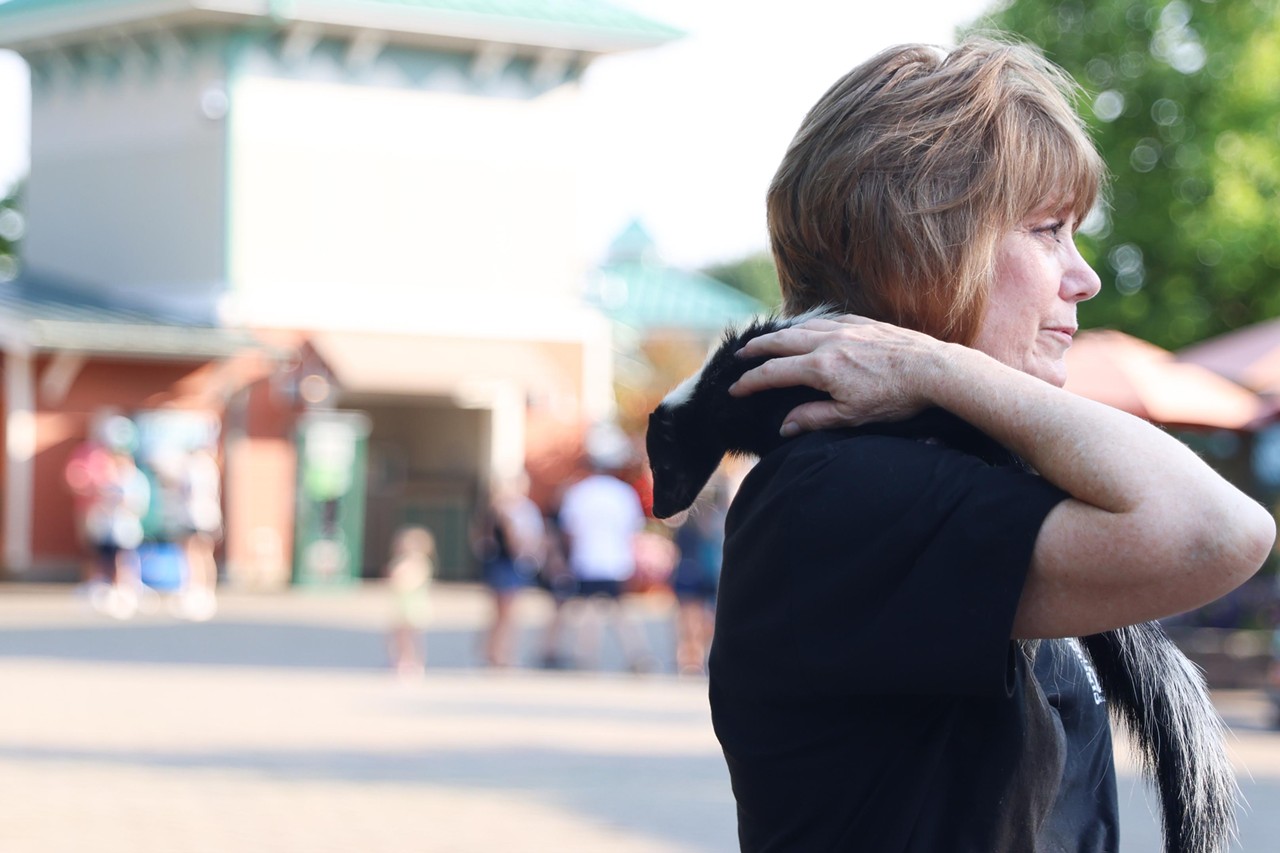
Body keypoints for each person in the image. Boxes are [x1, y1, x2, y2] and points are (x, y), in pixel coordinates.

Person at [667, 38, 1276, 851]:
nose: (1084, 276)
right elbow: (1219, 532)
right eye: (1048, 230)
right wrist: (937, 363)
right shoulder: (844, 491)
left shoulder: (944, 475)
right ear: (929, 248)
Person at [553, 442, 653, 672]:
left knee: (588, 608)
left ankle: (585, 655)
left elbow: (569, 530)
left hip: (587, 558)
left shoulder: (579, 492)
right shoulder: (623, 493)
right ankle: (637, 652)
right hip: (617, 560)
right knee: (620, 609)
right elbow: (633, 529)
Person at [475, 472, 546, 667]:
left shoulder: (522, 509)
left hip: (508, 563)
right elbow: (511, 540)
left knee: (504, 613)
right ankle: (499, 654)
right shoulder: (499, 511)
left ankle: (495, 651)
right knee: (506, 613)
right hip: (506, 564)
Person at [385, 525, 435, 679]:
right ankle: (401, 660)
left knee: (411, 637)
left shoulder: (421, 563)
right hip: (402, 605)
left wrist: (401, 579)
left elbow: (411, 582)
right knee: (398, 636)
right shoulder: (400, 562)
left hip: (414, 607)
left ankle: (414, 662)